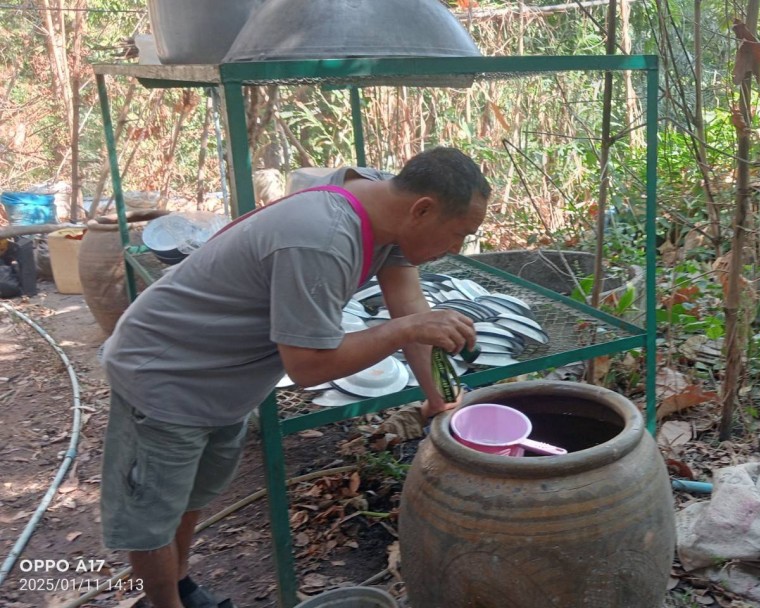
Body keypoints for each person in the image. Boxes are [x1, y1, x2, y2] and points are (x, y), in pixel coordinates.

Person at [99, 147, 490, 608]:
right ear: (422, 210)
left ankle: (181, 586)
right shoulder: (322, 238)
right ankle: (162, 603)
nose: (456, 249)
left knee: (189, 496)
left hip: (227, 380)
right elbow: (310, 366)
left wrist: (442, 402)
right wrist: (403, 330)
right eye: (459, 234)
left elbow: (410, 308)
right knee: (153, 516)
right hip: (167, 373)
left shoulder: (386, 202)